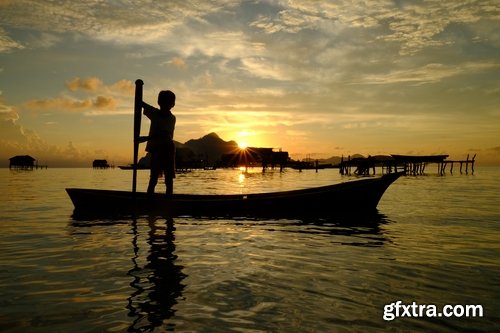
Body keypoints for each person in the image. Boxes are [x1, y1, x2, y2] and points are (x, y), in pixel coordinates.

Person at [143, 90, 176, 196]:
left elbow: (167, 135)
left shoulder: (172, 118)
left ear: (172, 104)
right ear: (159, 102)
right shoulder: (154, 113)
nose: (166, 105)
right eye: (164, 102)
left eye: (168, 102)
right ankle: (150, 199)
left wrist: (147, 138)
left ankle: (168, 200)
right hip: (157, 149)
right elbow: (141, 104)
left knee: (168, 178)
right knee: (154, 177)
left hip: (168, 149)